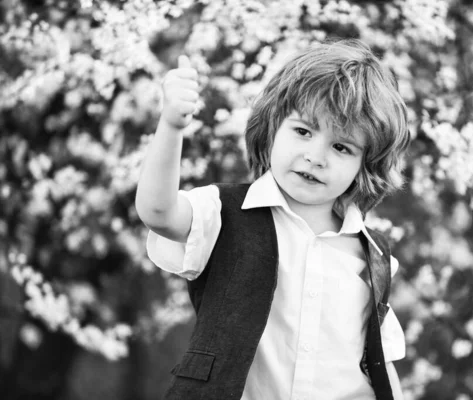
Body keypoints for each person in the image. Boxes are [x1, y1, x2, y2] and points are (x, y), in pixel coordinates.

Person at [136, 38, 411, 400]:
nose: (315, 156)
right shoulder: (224, 213)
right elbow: (158, 212)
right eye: (303, 131)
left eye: (341, 147)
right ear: (272, 128)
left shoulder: (374, 256)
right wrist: (171, 126)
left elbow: (380, 362)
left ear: (365, 166)